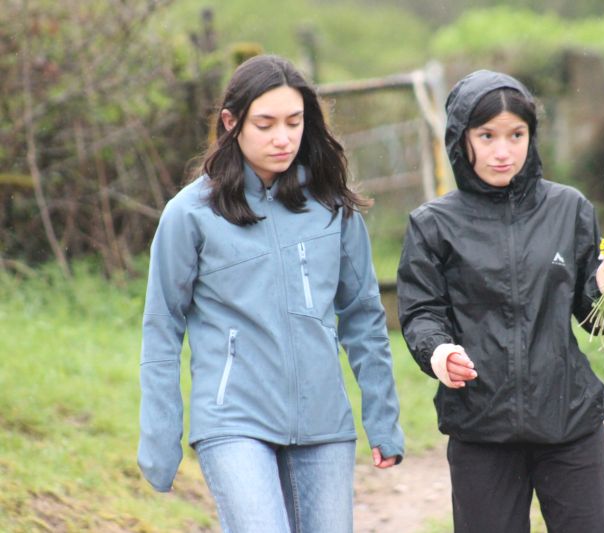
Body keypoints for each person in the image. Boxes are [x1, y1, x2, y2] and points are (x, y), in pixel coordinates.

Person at [137, 54, 404, 533]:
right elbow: (162, 326)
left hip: (323, 422)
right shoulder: (189, 215)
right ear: (231, 122)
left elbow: (363, 316)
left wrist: (382, 419)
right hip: (232, 419)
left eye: (294, 122)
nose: (282, 137)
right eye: (265, 124)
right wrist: (160, 435)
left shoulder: (333, 208)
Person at [397, 70, 604, 533]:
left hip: (570, 422)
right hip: (480, 427)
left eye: (516, 135)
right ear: (461, 138)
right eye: (486, 135)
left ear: (531, 136)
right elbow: (422, 312)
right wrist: (439, 353)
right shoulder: (432, 225)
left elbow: (593, 318)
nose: (503, 151)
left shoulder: (570, 209)